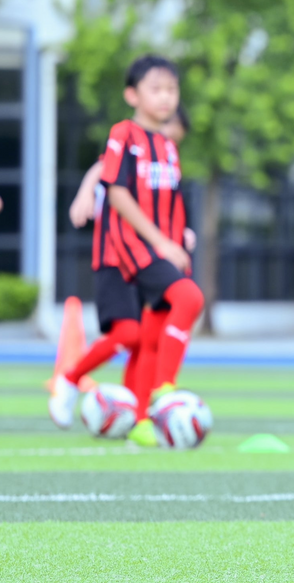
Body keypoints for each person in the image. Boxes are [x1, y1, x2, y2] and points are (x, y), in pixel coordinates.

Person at [49, 57, 204, 447]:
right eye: (157, 89)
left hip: (156, 250)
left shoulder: (167, 146)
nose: (167, 97)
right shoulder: (125, 134)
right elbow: (113, 185)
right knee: (181, 302)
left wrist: (179, 235)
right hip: (127, 254)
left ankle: (139, 420)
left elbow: (169, 199)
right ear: (133, 94)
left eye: (172, 90)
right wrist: (161, 241)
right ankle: (161, 390)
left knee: (146, 337)